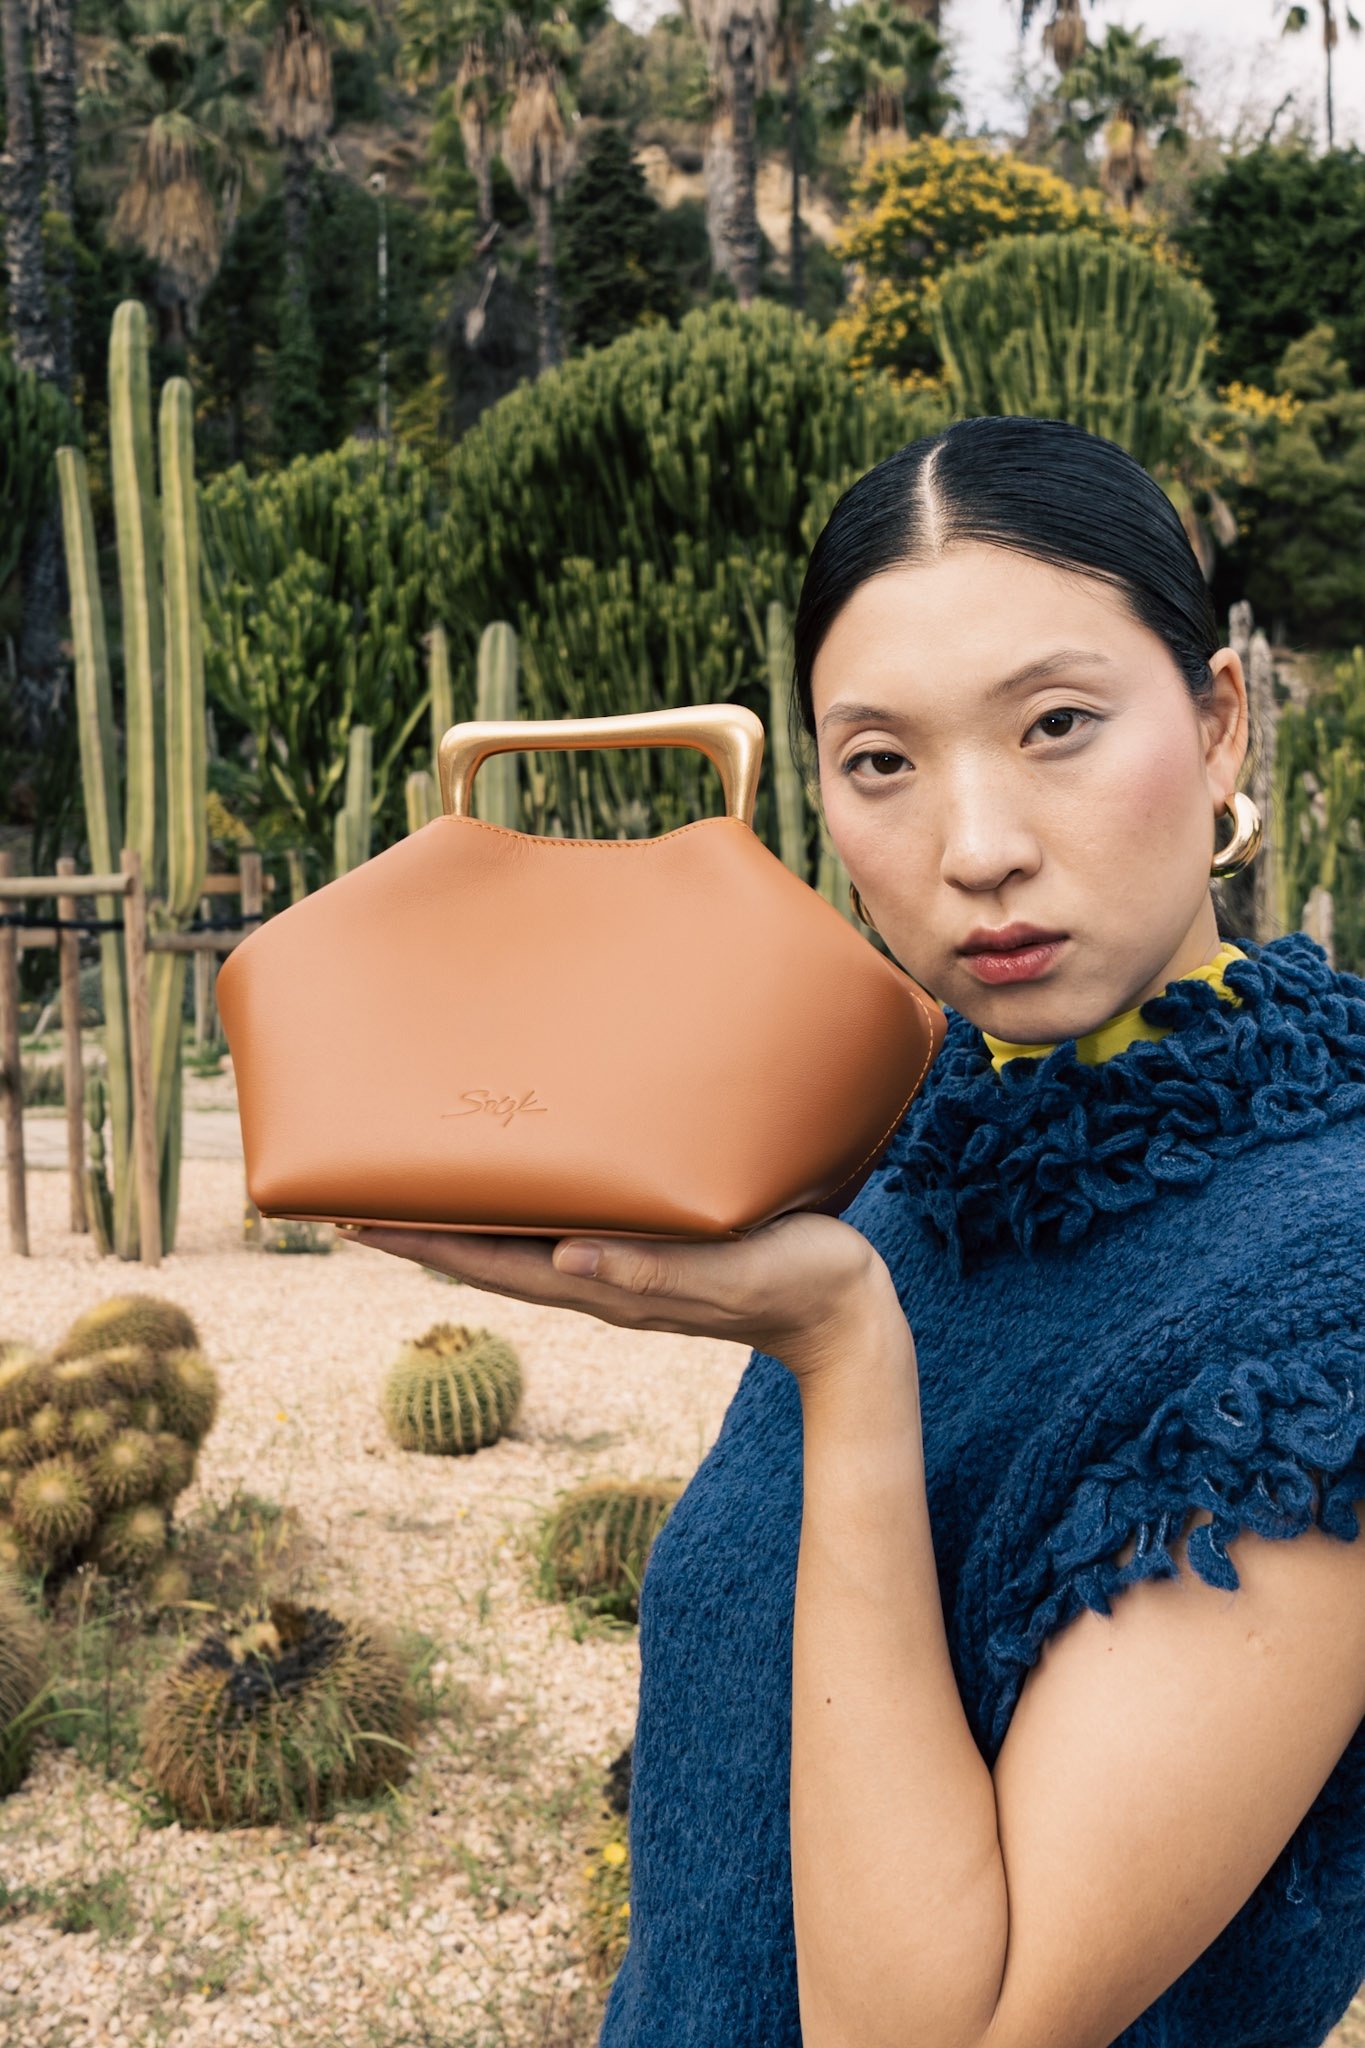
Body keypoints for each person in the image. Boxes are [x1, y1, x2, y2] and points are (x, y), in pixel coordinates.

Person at [342, 416, 1365, 2048]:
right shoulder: (926, 1130)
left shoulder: (1326, 1301)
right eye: (880, 762)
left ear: (1219, 720)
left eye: (1056, 726)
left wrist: (841, 1344)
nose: (976, 849)